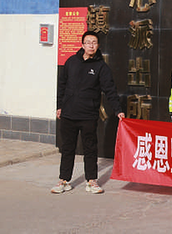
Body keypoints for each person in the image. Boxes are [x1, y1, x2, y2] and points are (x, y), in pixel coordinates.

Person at [53, 30, 124, 195]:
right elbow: (62, 85)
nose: (91, 45)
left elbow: (110, 90)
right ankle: (64, 180)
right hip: (68, 114)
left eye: (94, 43)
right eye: (88, 42)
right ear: (82, 45)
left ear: (98, 45)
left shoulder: (101, 67)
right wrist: (60, 106)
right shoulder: (71, 62)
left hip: (88, 115)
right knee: (67, 148)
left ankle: (91, 181)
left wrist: (118, 110)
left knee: (90, 149)